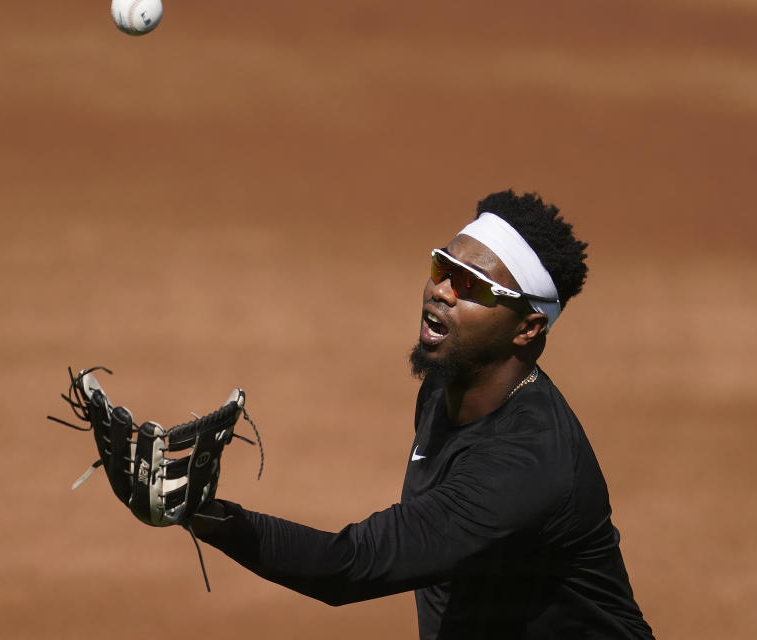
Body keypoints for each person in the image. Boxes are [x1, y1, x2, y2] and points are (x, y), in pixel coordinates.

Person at [191, 189, 654, 639]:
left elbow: (350, 566)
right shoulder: (446, 383)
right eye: (442, 267)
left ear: (528, 327)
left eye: (470, 284)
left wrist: (202, 514)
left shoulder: (525, 465)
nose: (442, 291)